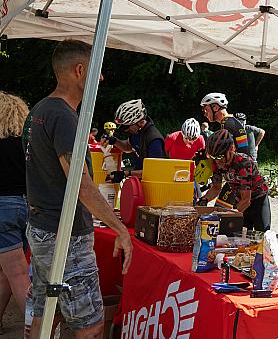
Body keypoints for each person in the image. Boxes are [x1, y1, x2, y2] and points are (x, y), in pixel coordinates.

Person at [23, 40, 132, 338]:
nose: (101, 79)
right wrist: (119, 228)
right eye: (97, 71)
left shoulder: (40, 111)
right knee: (92, 327)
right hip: (65, 235)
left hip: (44, 227)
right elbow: (80, 184)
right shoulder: (63, 116)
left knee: (47, 314)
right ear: (80, 70)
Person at [197, 130, 271, 231]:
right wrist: (203, 200)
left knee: (262, 236)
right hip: (240, 198)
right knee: (239, 238)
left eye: (220, 156)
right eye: (214, 157)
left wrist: (230, 214)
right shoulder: (216, 163)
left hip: (258, 199)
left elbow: (246, 200)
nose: (218, 161)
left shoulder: (244, 163)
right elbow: (215, 188)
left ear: (231, 149)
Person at [0, 92, 31, 328]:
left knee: (17, 272)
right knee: (7, 271)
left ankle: (38, 330)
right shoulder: (27, 144)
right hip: (29, 207)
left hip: (4, 208)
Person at [102, 99, 166, 180]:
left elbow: (154, 171)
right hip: (141, 181)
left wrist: (126, 174)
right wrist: (114, 141)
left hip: (154, 184)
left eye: (126, 126)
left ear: (139, 122)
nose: (125, 130)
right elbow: (128, 147)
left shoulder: (154, 140)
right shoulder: (137, 132)